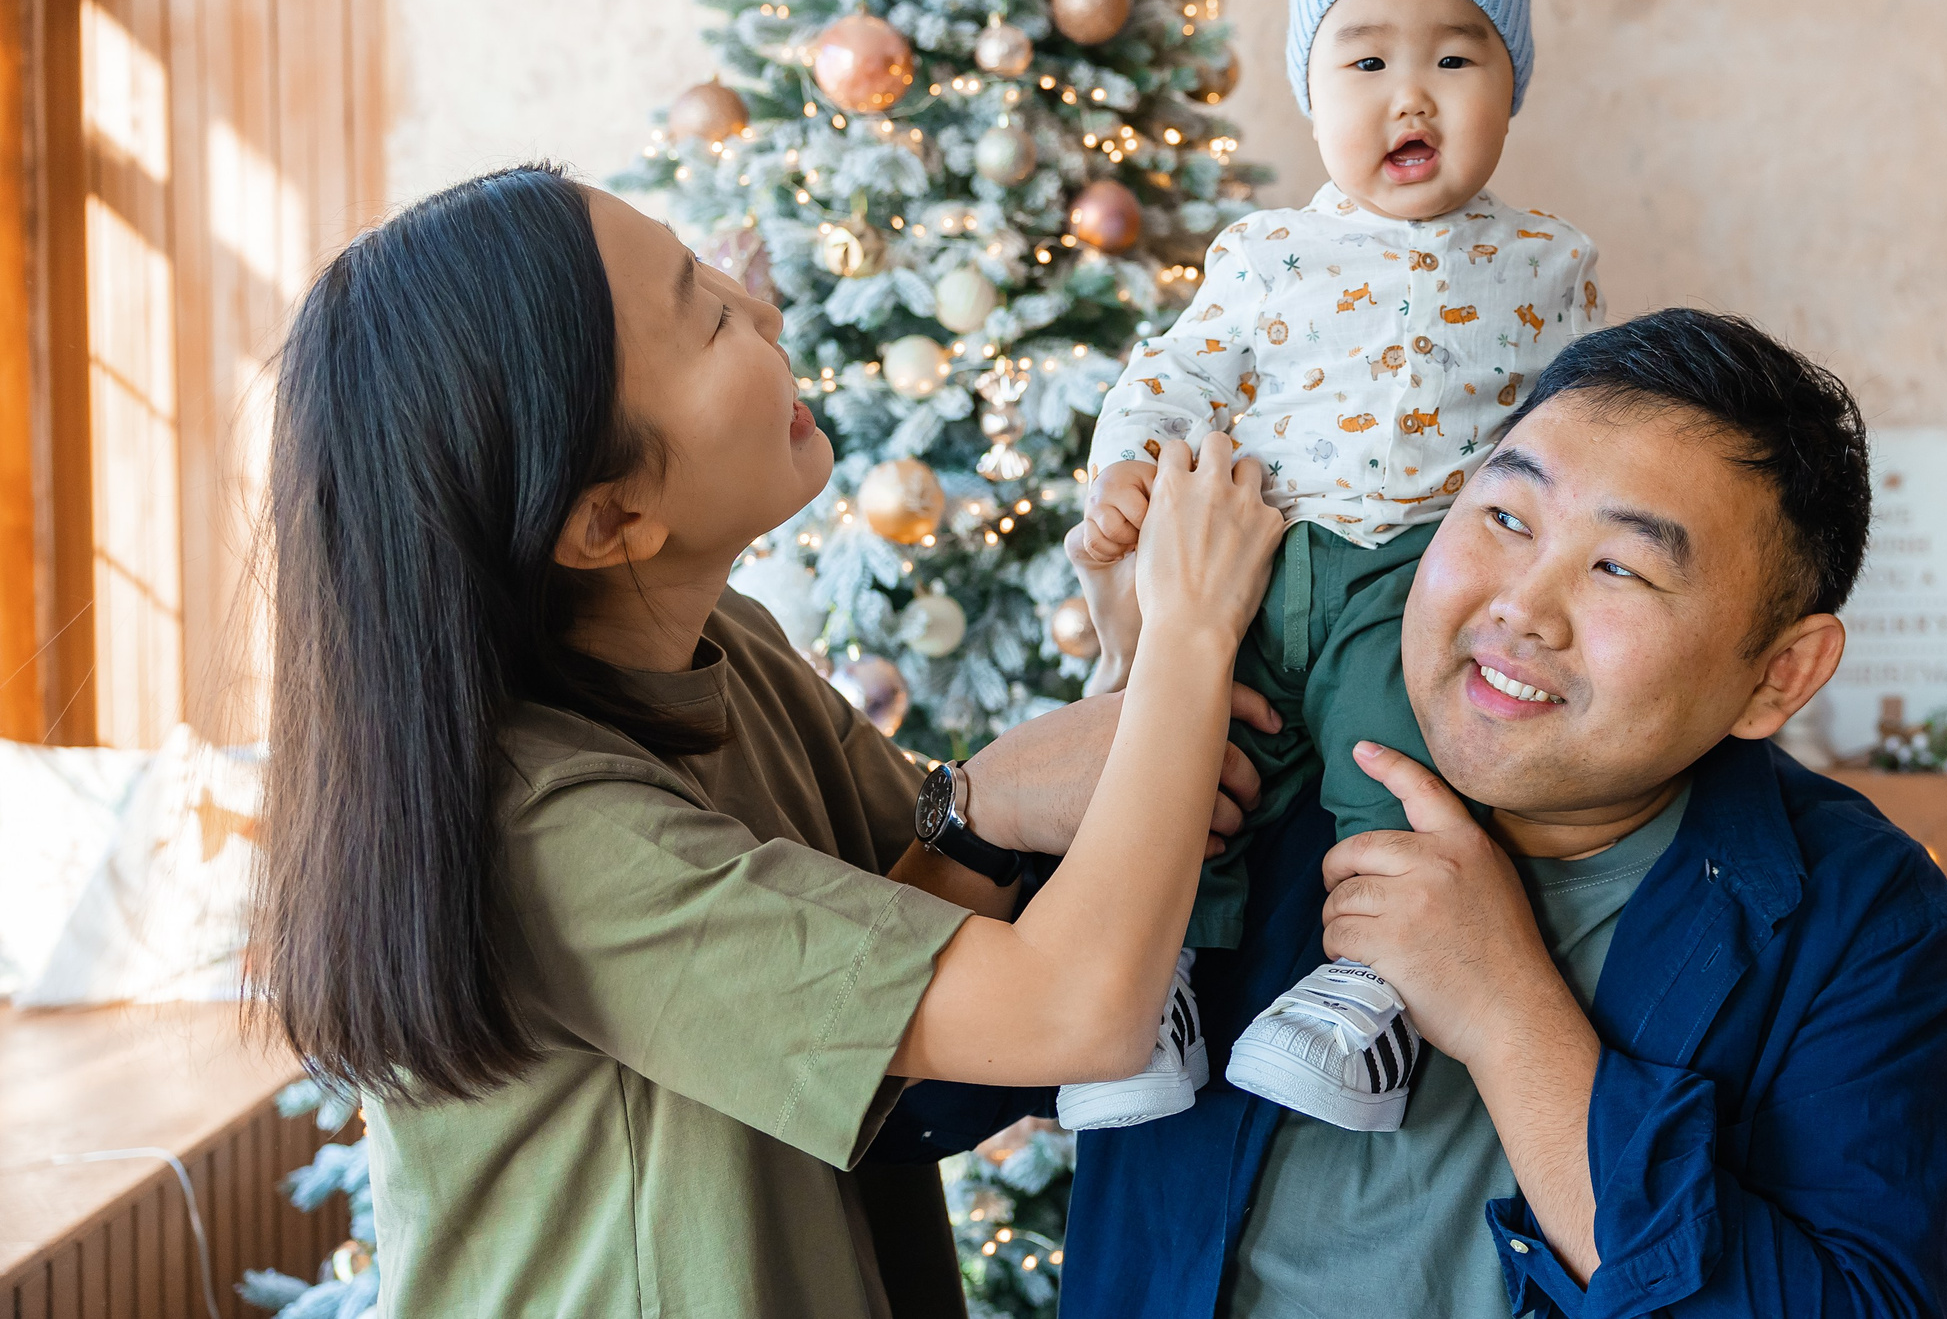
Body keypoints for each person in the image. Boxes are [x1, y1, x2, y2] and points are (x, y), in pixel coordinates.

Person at [248, 163, 1284, 1318]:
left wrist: (1127, 658)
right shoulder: (550, 834)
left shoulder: (725, 646)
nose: (771, 314)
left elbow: (955, 961)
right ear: (609, 520)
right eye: (708, 315)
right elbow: (1073, 1007)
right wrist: (1191, 636)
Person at [1054, 309, 1947, 1319]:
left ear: (1779, 674)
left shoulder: (1857, 912)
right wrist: (984, 802)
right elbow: (910, 1099)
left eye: (1621, 567)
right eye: (1504, 518)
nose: (1522, 607)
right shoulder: (1249, 762)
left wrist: (1507, 1014)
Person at [1058, 0, 1607, 1135]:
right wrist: (1131, 471)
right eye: (1365, 60)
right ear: (1312, 97)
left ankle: (1366, 994)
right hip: (1263, 555)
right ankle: (1152, 988)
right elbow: (1174, 371)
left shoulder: (1549, 264)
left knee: (1391, 746)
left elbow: (1586, 424)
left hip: (1419, 571)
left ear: (1511, 89)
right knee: (1199, 764)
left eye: (1456, 57)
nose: (1410, 94)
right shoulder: (1265, 256)